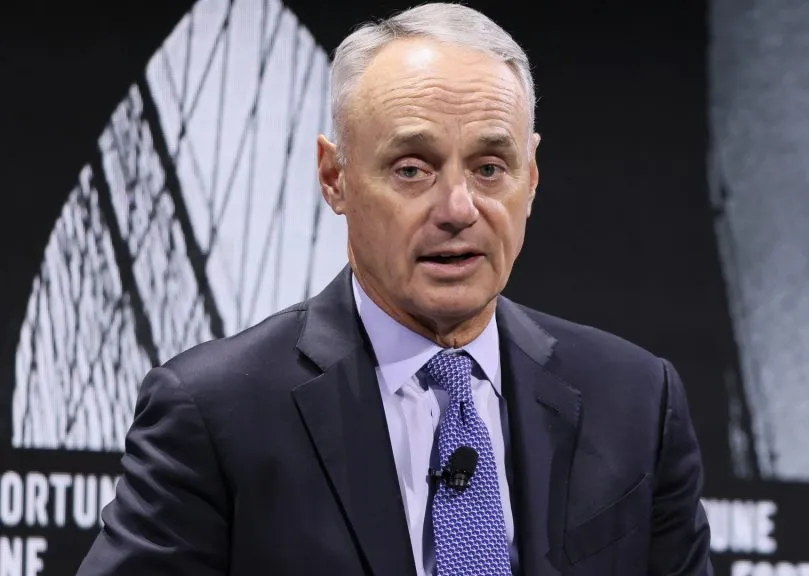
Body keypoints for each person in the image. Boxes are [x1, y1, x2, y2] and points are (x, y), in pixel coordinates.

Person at [76, 3, 713, 575]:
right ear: (336, 178)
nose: (459, 207)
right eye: (412, 169)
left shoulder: (636, 401)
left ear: (533, 177)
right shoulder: (215, 414)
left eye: (491, 168)